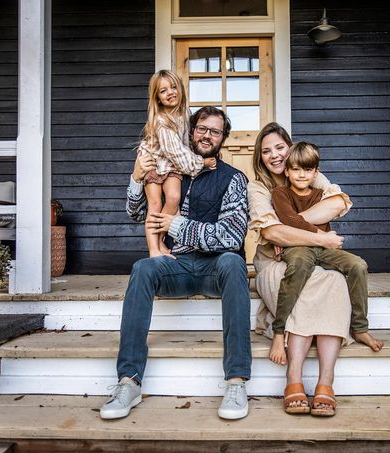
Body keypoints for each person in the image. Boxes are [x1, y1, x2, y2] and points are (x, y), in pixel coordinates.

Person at [100, 106, 251, 421]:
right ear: (191, 131)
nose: (207, 135)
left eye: (215, 131)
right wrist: (135, 177)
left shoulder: (234, 179)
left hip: (215, 269)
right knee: (142, 268)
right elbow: (139, 213)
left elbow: (231, 237)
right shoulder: (172, 171)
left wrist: (176, 225)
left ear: (223, 138)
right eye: (202, 128)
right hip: (176, 265)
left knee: (234, 262)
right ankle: (128, 381)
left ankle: (236, 381)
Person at [248, 122, 383, 417]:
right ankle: (293, 376)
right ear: (260, 157)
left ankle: (326, 381)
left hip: (318, 253)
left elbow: (337, 203)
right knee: (303, 281)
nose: (274, 155)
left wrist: (291, 226)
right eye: (266, 151)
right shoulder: (258, 187)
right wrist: (318, 235)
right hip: (275, 259)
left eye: (280, 147)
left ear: (290, 146)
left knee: (334, 281)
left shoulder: (309, 171)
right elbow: (272, 235)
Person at [269, 141, 376, 369]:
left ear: (316, 172)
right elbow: (288, 221)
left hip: (324, 248)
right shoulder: (280, 193)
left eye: (307, 170)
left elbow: (291, 220)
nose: (301, 175)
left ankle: (360, 328)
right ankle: (279, 331)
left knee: (357, 265)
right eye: (296, 169)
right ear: (286, 171)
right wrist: (315, 231)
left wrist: (293, 222)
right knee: (298, 266)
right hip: (297, 247)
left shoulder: (321, 195)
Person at [137, 69, 217, 257]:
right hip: (154, 164)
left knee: (173, 198)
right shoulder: (161, 121)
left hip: (171, 166)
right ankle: (154, 249)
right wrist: (201, 162)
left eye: (173, 87)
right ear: (157, 98)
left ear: (180, 89)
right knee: (155, 205)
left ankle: (161, 241)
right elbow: (177, 153)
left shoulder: (184, 114)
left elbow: (187, 144)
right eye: (163, 91)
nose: (170, 92)